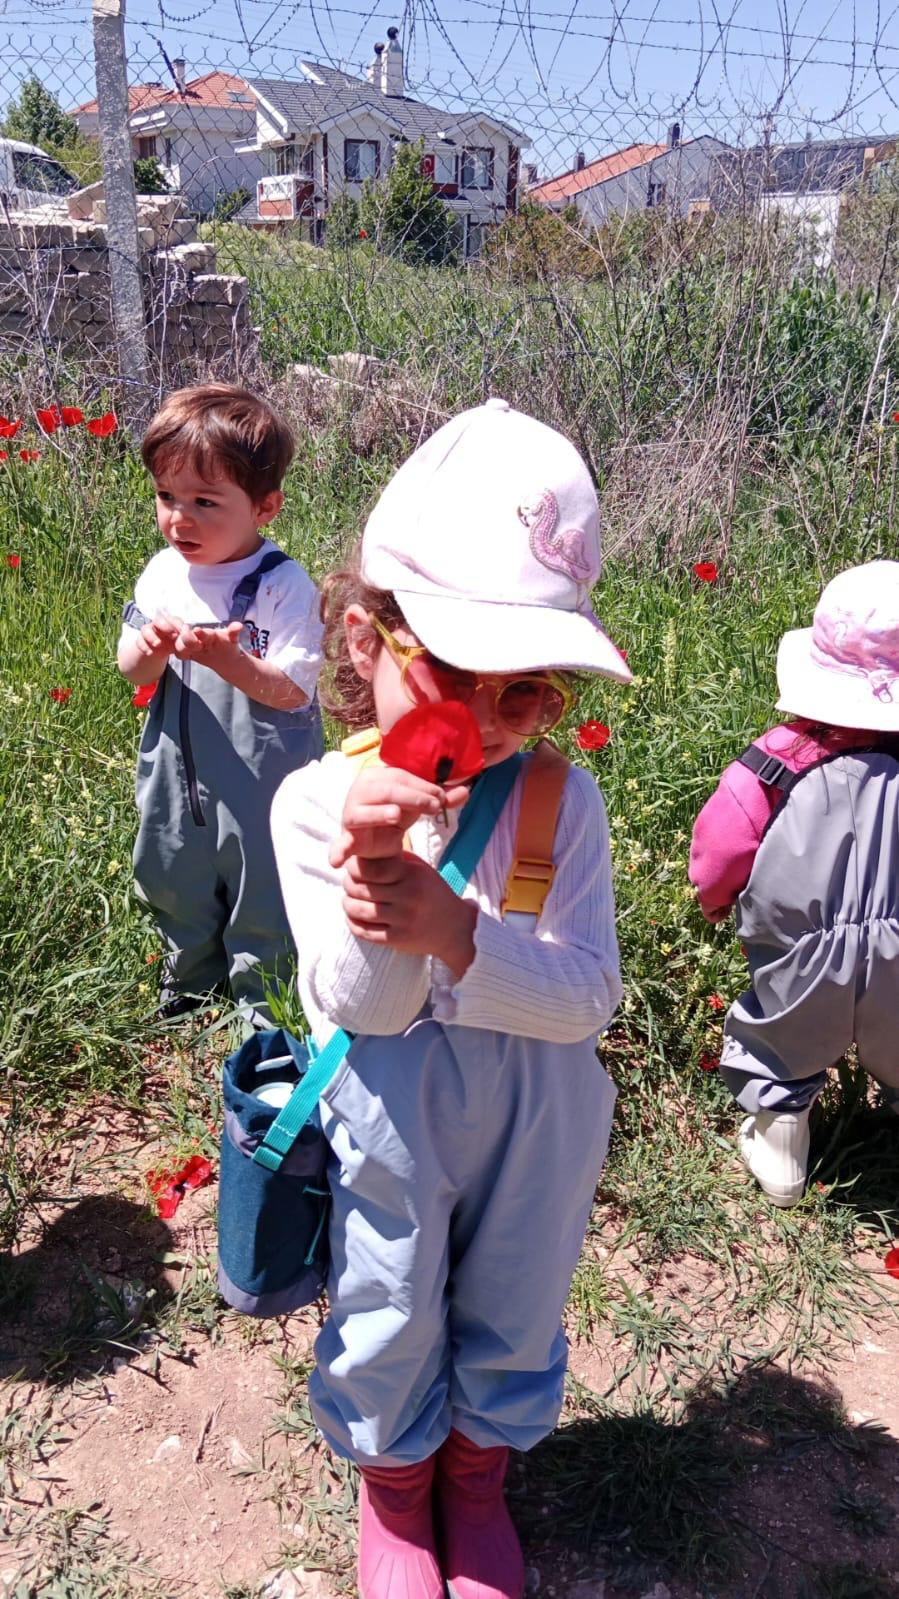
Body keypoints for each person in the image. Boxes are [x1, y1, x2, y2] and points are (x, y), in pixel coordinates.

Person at [270, 397, 631, 1599]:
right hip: (393, 1110)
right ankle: (394, 1487)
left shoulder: (554, 806)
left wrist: (464, 937)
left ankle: (475, 1475)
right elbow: (362, 1013)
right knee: (386, 1295)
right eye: (453, 675)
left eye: (521, 691)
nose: (482, 722)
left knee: (519, 1289)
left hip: (542, 1114)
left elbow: (586, 1002)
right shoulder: (320, 806)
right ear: (368, 640)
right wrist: (386, 887)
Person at [690, 561, 899, 1208]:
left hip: (800, 966)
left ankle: (781, 1141)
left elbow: (719, 851)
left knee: (780, 1045)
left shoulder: (772, 765)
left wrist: (716, 901)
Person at [117, 383, 323, 1022]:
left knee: (261, 874)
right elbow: (131, 669)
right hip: (178, 757)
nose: (181, 518)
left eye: (206, 501)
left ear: (265, 506)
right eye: (167, 497)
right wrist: (151, 648)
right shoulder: (163, 573)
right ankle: (190, 980)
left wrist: (226, 659)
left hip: (260, 767)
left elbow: (292, 690)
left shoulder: (283, 586)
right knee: (170, 861)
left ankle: (265, 999)